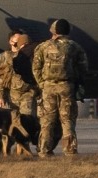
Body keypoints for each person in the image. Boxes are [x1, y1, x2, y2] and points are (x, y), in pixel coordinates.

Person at [31, 19, 90, 156]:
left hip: (48, 87)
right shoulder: (74, 47)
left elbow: (35, 68)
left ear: (53, 31)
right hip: (66, 86)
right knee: (67, 120)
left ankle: (44, 150)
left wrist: (42, 83)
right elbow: (84, 67)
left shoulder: (43, 47)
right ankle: (70, 151)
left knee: (47, 121)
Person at [0, 30, 38, 117]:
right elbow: (1, 79)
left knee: (25, 122)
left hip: (26, 99)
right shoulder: (9, 58)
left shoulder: (34, 59)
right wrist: (0, 96)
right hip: (10, 99)